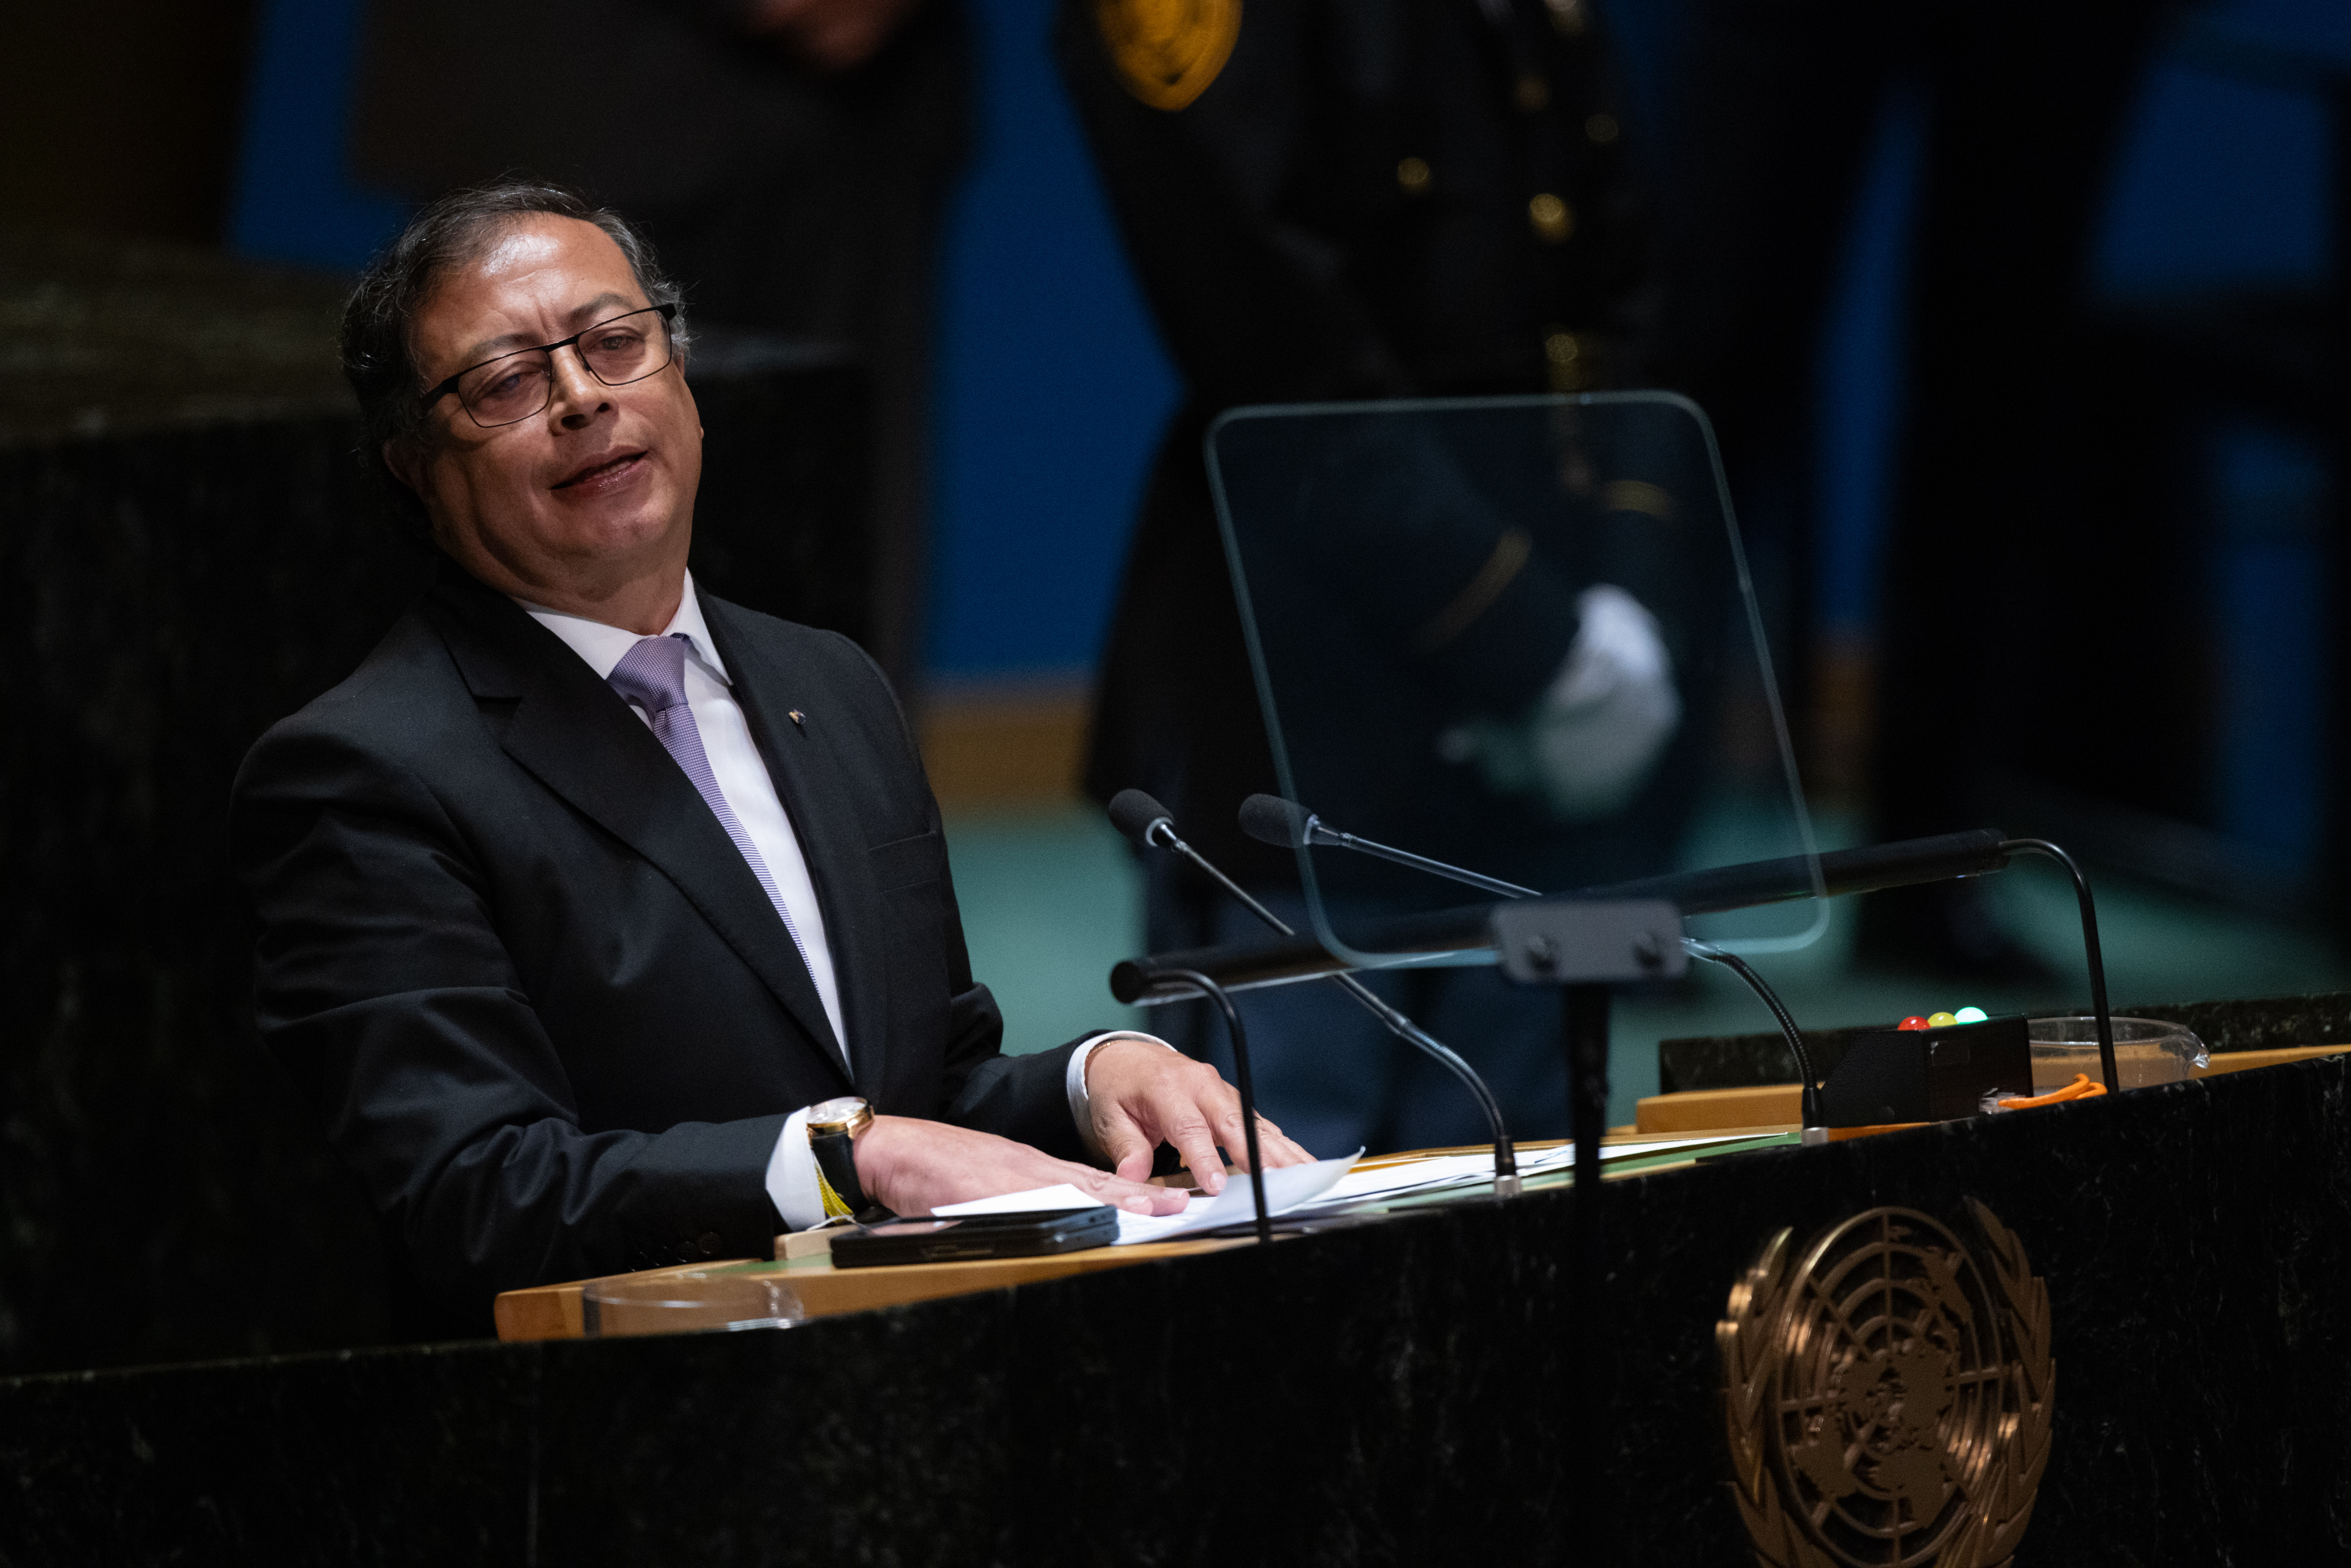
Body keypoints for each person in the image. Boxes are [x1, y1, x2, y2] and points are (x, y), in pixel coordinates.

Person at [229, 182, 1310, 1332]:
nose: (583, 398)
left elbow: (930, 1090)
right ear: (413, 465)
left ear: (681, 378)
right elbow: (474, 1194)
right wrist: (841, 1160)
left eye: (614, 343)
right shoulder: (366, 773)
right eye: (507, 382)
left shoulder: (828, 686)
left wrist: (1093, 1079)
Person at [1056, 0, 1660, 1153]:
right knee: (1286, 1198)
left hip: (1560, 677)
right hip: (1309, 677)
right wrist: (1528, 640)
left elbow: (1617, 268)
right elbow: (1261, 324)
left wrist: (1623, 591)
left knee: (1533, 1193)